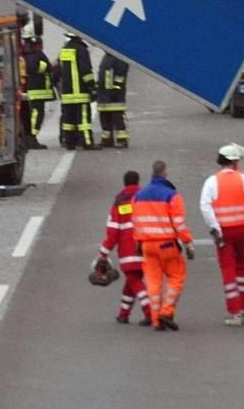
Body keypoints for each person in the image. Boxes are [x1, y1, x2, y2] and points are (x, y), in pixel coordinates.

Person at [198, 143, 244, 326]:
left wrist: (215, 227)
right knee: (242, 268)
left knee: (228, 270)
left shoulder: (212, 182)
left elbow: (205, 207)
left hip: (223, 232)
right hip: (242, 229)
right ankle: (242, 307)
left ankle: (234, 312)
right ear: (234, 162)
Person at [132, 159, 194, 331]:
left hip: (146, 246)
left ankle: (156, 320)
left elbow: (135, 222)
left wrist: (138, 243)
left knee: (153, 283)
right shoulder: (172, 195)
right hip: (167, 245)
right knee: (176, 277)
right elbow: (179, 224)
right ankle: (166, 312)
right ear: (165, 172)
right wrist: (188, 242)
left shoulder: (138, 196)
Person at [97, 169, 148, 325]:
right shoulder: (145, 198)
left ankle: (151, 311)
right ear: (138, 182)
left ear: (124, 183)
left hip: (128, 250)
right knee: (133, 281)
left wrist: (103, 253)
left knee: (134, 280)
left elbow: (113, 231)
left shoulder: (120, 201)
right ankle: (123, 313)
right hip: (147, 246)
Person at [56, 32, 96, 150]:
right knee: (84, 119)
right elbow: (86, 71)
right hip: (80, 91)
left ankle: (69, 142)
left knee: (69, 119)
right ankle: (87, 142)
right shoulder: (81, 49)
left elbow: (58, 70)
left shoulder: (64, 50)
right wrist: (92, 86)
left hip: (67, 92)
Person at [21, 34, 55, 149]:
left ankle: (30, 138)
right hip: (37, 92)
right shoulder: (36, 56)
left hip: (34, 92)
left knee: (33, 115)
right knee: (36, 116)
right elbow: (43, 68)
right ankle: (31, 138)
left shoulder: (27, 56)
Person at [98, 51, 130, 148]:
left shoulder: (119, 57)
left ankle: (122, 140)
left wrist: (116, 89)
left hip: (115, 95)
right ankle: (107, 139)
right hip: (104, 94)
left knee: (118, 119)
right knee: (104, 118)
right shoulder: (107, 57)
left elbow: (121, 75)